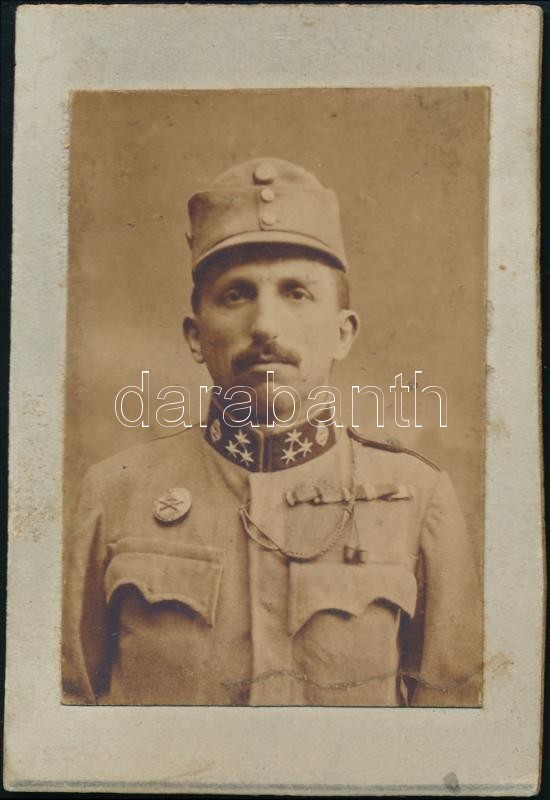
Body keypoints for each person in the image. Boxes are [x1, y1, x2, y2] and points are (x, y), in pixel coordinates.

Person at [62, 157, 482, 707]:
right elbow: (63, 711)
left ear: (342, 333)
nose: (264, 325)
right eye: (235, 295)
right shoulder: (115, 492)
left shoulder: (418, 500)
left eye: (296, 292)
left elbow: (453, 720)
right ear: (195, 336)